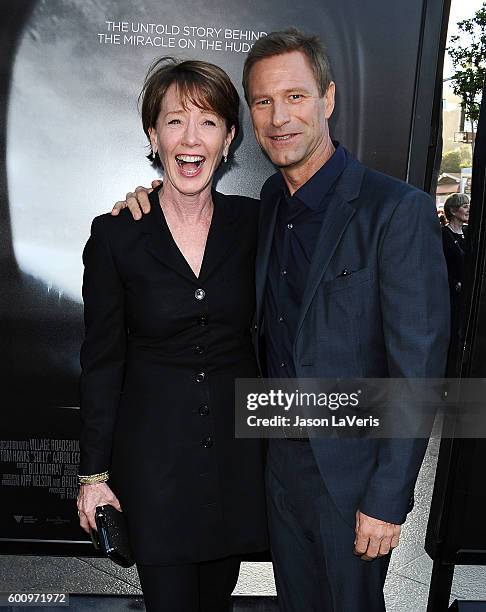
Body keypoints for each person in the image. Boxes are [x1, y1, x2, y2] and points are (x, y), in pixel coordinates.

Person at [113, 29, 450, 612]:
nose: (279, 117)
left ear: (329, 99)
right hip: (273, 471)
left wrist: (389, 499)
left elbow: (418, 370)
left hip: (351, 481)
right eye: (263, 101)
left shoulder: (395, 211)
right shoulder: (265, 206)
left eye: (295, 97)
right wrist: (144, 200)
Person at [76, 57, 268, 612]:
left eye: (208, 122)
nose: (191, 138)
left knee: (216, 603)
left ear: (229, 139)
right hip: (154, 471)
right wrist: (93, 474)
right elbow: (102, 362)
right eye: (175, 121)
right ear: (153, 135)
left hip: (233, 466)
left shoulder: (255, 224)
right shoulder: (117, 236)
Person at [442, 192, 469, 325]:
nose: (468, 209)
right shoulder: (443, 234)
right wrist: (454, 284)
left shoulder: (468, 232)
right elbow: (438, 266)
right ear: (453, 210)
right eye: (465, 206)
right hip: (451, 295)